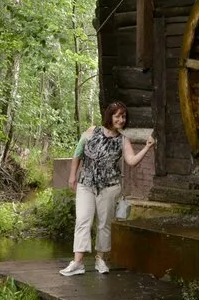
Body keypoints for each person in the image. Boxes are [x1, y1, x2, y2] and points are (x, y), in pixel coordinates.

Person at [61, 101, 154, 276]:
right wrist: (72, 176)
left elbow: (132, 161)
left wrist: (147, 147)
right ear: (109, 116)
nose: (121, 119)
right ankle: (78, 262)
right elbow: (77, 154)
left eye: (123, 116)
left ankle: (100, 259)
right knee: (83, 220)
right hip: (86, 184)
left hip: (109, 187)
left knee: (104, 224)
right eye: (117, 115)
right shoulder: (91, 131)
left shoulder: (123, 140)